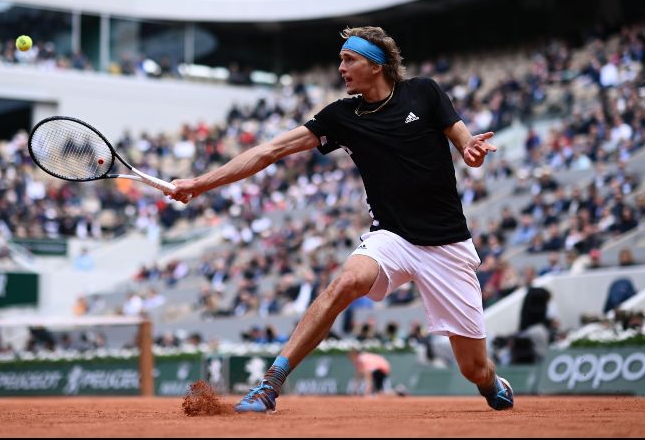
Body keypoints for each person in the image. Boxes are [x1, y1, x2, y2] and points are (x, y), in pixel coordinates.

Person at [164, 26, 512, 413]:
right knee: (345, 282)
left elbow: (464, 141)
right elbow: (270, 151)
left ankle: (491, 380)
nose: (341, 67)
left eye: (350, 59)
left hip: (447, 244)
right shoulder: (342, 117)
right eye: (340, 59)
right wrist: (199, 183)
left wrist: (471, 150)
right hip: (391, 237)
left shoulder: (424, 92)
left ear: (376, 65)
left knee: (473, 368)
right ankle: (269, 385)